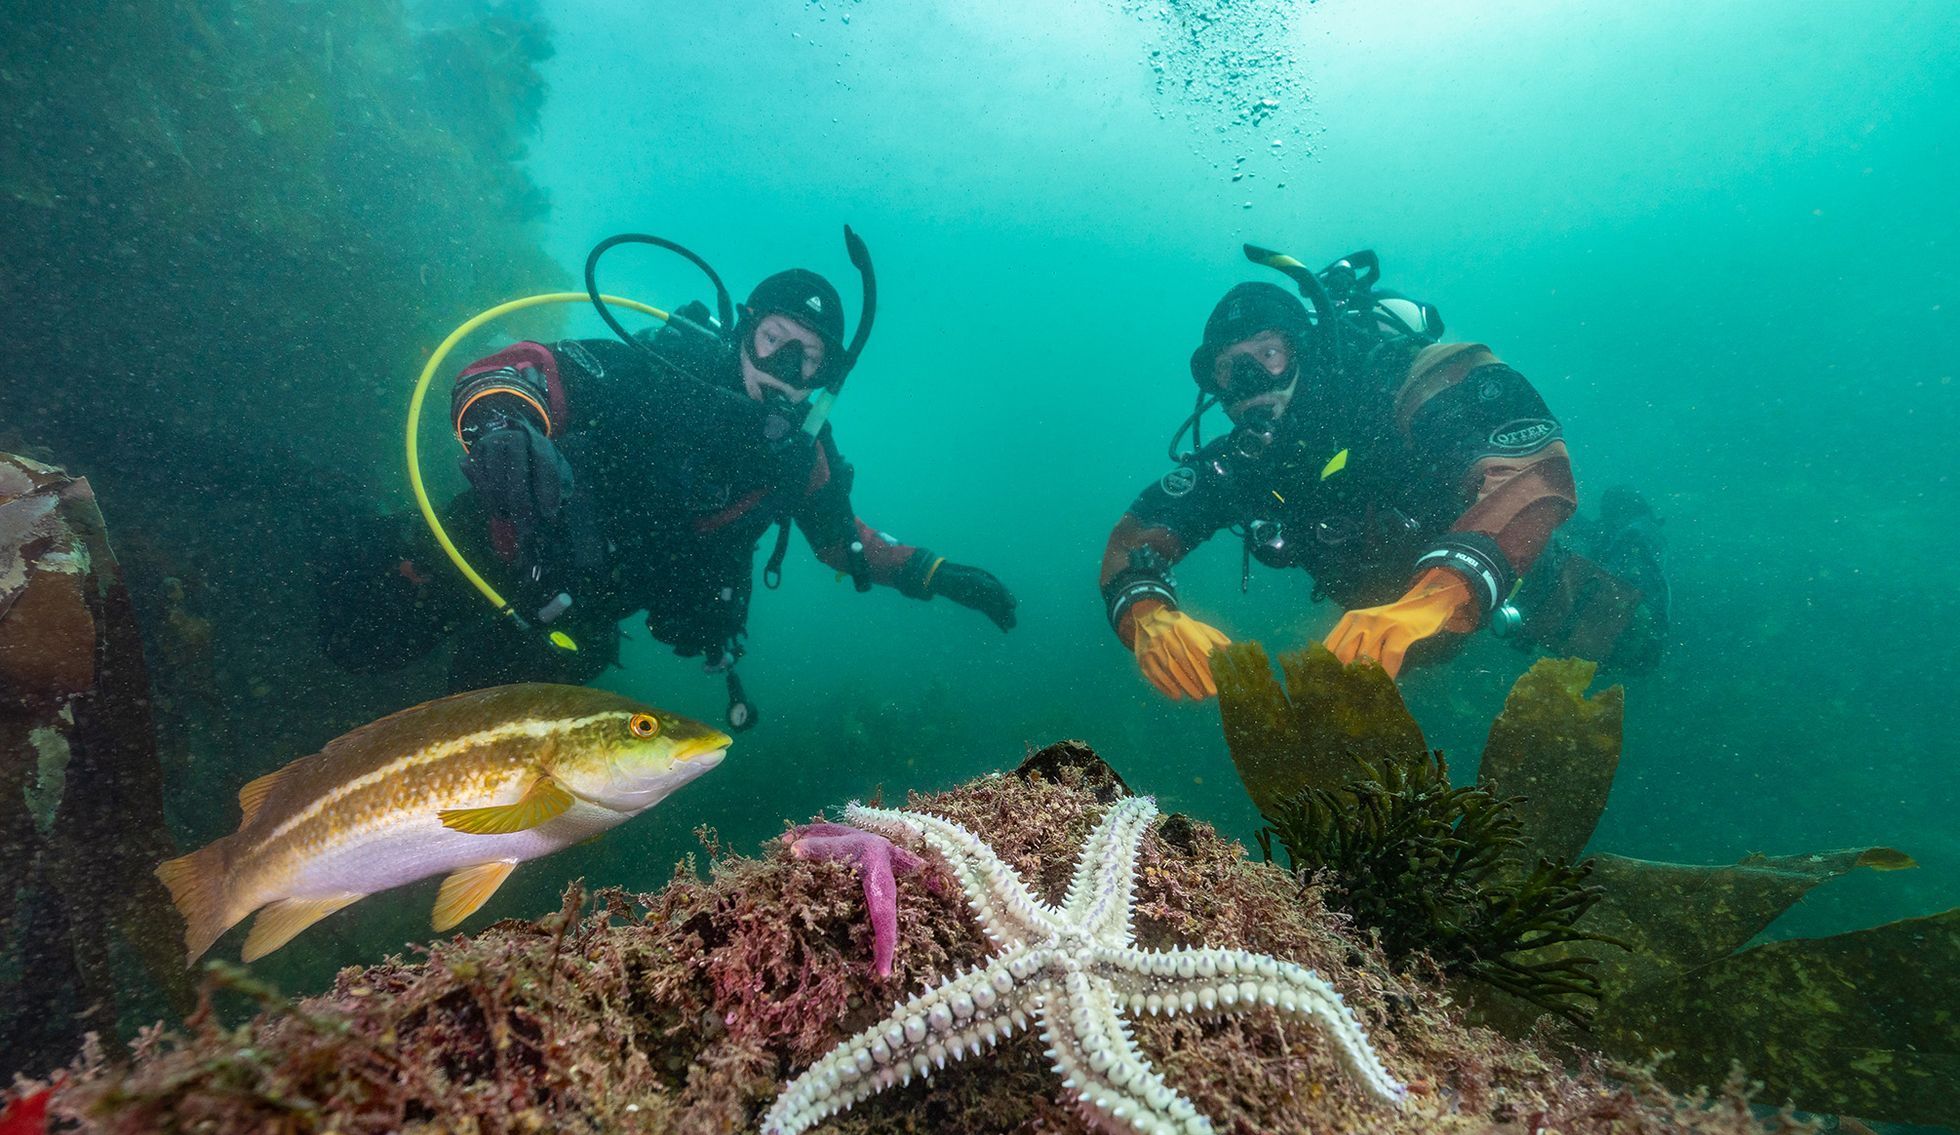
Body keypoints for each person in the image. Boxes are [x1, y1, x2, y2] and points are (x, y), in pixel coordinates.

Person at [321, 261, 1016, 726]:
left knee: (470, 749)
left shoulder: (800, 459)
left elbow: (844, 543)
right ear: (745, 331)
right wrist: (503, 427)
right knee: (353, 644)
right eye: (772, 339)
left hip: (575, 625)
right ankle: (318, 503)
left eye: (803, 358)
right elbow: (529, 370)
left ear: (824, 376)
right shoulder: (661, 369)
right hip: (487, 550)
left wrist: (933, 573)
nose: (779, 367)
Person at [1099, 248, 1577, 698]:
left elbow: (1533, 469)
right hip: (1389, 649)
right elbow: (1133, 538)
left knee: (1633, 642)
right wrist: (1146, 613)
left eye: (1268, 355)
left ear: (1305, 351)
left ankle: (1626, 533)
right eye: (1229, 368)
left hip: (1526, 579)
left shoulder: (1395, 384)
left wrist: (1440, 593)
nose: (1249, 381)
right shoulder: (1244, 462)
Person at [1494, 485, 1669, 674]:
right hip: (1618, 634)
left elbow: (1611, 583)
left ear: (1619, 510)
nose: (1603, 520)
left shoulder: (1636, 532)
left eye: (1607, 514)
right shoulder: (1636, 530)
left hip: (1611, 623)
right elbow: (1592, 534)